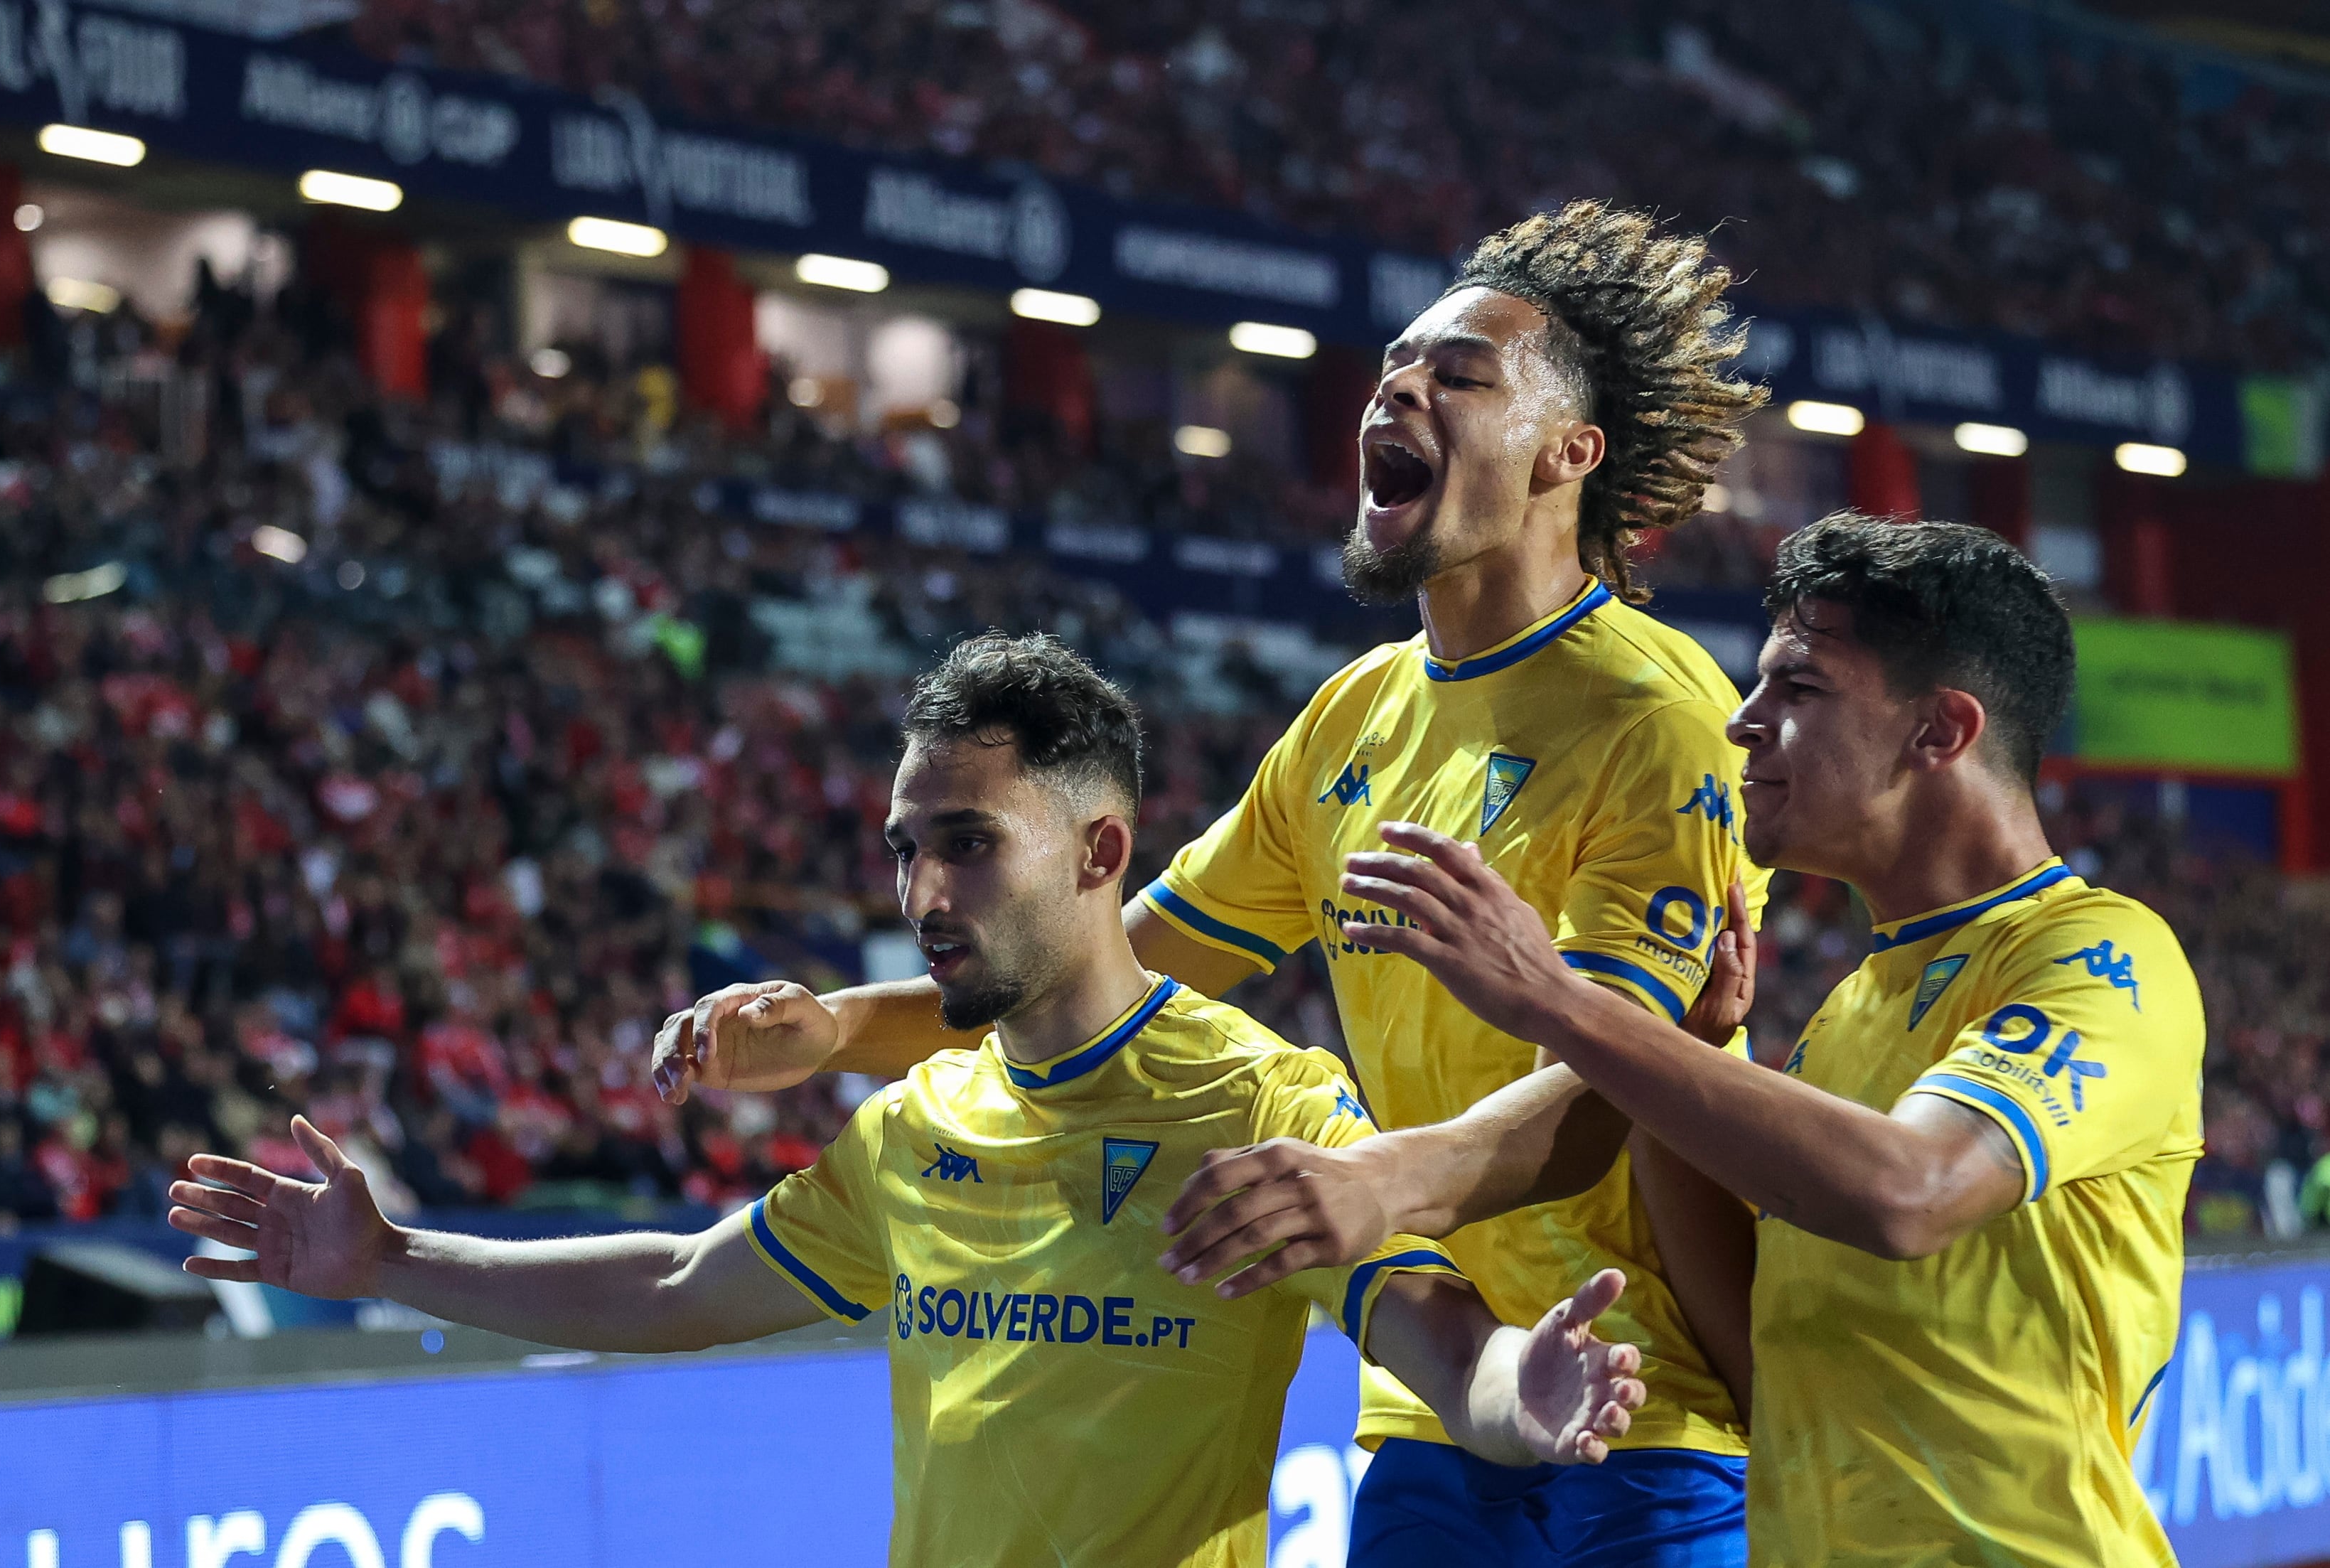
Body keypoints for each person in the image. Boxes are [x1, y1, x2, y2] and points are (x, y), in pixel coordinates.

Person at [654, 200, 1771, 1567]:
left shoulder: (1655, 719)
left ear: (1567, 453)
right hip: (1436, 1406)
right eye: (1393, 369)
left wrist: (1379, 1183)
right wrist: (837, 1028)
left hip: (1639, 1409)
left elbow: (1620, 1081)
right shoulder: (1351, 722)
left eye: (1461, 375)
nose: (1401, 386)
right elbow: (1100, 970)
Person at [169, 633, 1648, 1568]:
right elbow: (684, 1278)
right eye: (899, 847)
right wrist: (386, 1261)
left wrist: (1523, 1392)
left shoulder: (1255, 1096)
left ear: (1098, 850)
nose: (919, 892)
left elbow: (1427, 1328)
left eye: (964, 842)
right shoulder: (915, 1119)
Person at [1247, 516, 2201, 1565]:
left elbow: (1913, 1191)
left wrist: (1559, 1002)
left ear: (1939, 731)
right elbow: (1757, 1368)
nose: (1743, 723)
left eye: (1798, 690)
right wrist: (1686, 1068)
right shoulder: (1847, 1013)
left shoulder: (2102, 955)